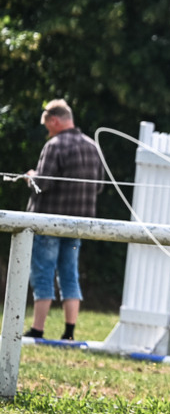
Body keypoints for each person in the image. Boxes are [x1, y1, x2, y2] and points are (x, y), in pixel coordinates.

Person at [23, 99, 104, 341]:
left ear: (55, 120)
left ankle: (38, 329)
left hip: (49, 223)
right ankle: (69, 332)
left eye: (47, 125)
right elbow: (99, 186)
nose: (47, 130)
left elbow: (42, 184)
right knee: (70, 274)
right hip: (78, 225)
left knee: (42, 274)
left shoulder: (54, 146)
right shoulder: (92, 146)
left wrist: (30, 177)